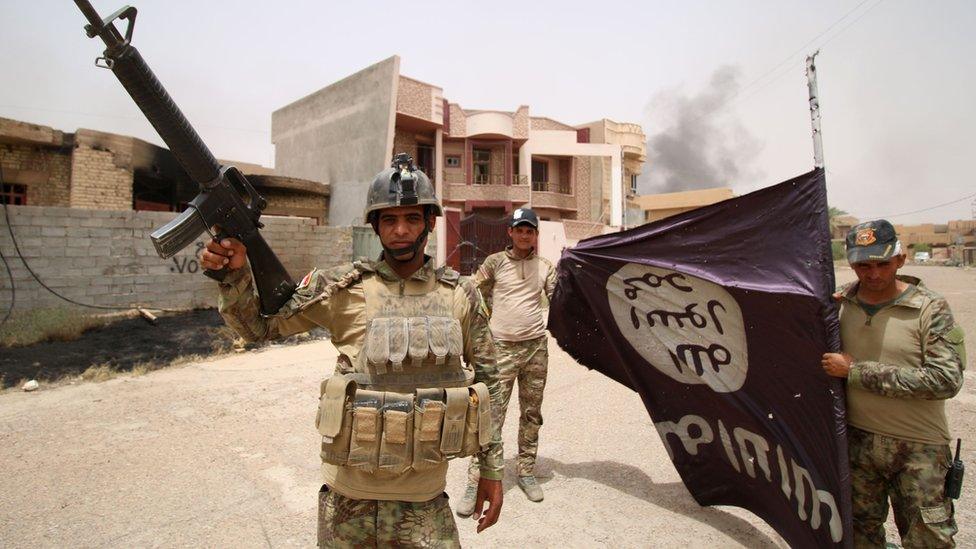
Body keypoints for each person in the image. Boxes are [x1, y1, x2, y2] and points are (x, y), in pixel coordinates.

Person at [202, 153, 505, 547]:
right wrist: (233, 275)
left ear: (430, 223)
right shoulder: (342, 287)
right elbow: (258, 328)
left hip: (424, 501)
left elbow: (490, 383)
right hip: (348, 501)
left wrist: (492, 471)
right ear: (375, 226)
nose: (400, 230)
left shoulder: (460, 295)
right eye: (389, 219)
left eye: (412, 218)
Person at [822, 219, 966, 548]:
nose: (873, 274)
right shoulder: (842, 305)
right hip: (858, 443)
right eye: (863, 265)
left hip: (919, 449)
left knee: (927, 540)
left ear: (900, 260)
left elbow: (945, 379)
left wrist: (856, 371)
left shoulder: (930, 308)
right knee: (859, 536)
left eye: (882, 264)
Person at [456, 207, 557, 514]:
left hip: (535, 349)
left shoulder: (545, 267)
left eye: (530, 230)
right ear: (510, 232)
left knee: (531, 413)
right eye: (520, 230)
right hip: (500, 350)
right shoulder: (495, 263)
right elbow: (472, 292)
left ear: (535, 235)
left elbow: (562, 299)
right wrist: (476, 334)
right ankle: (477, 478)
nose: (524, 235)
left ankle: (525, 471)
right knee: (490, 416)